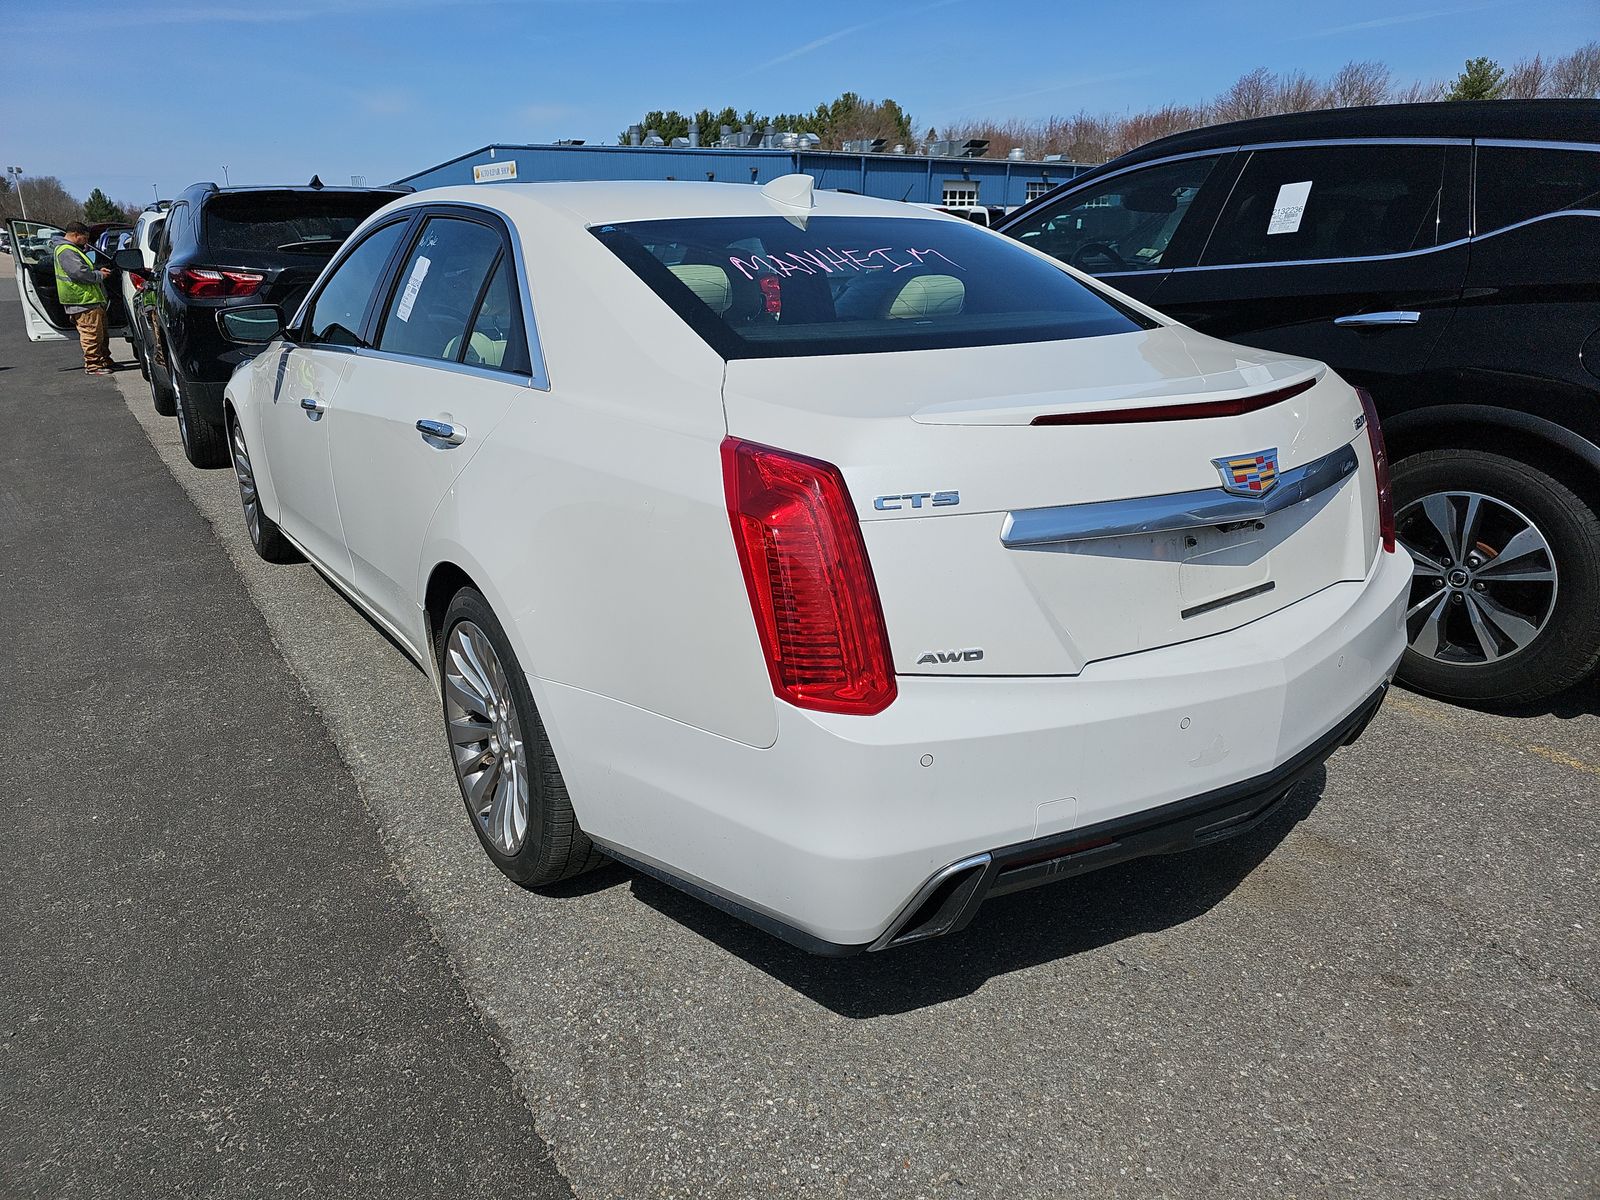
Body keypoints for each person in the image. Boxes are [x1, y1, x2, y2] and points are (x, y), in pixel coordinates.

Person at [51, 222, 114, 376]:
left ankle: (103, 360)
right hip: (82, 300)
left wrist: (98, 271)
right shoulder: (66, 250)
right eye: (85, 238)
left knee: (99, 334)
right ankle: (93, 365)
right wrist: (99, 275)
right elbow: (79, 273)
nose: (86, 241)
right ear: (76, 234)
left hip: (88, 299)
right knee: (91, 334)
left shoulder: (71, 249)